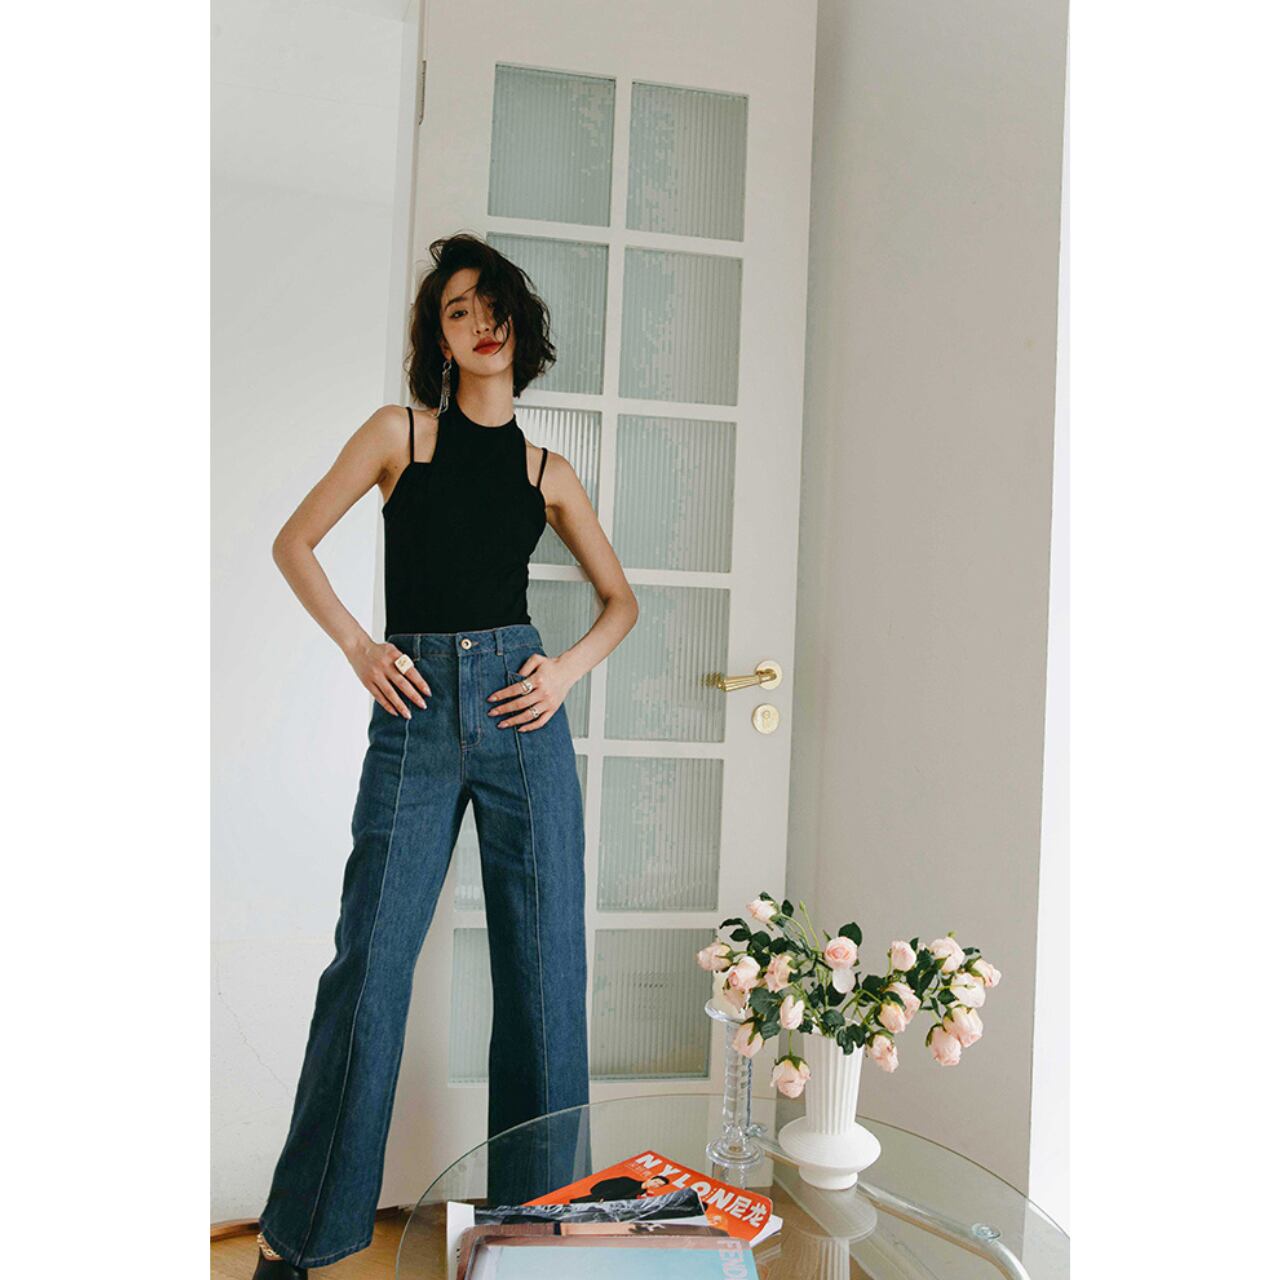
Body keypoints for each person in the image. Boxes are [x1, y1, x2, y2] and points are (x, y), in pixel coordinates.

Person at [251, 232, 639, 1277]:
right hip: (415, 708)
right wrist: (359, 647)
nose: (479, 322)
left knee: (545, 979)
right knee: (369, 966)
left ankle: (540, 1242)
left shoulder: (547, 471)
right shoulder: (401, 435)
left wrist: (562, 672)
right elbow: (294, 541)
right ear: (438, 336)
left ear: (518, 322)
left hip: (521, 714)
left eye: (491, 304)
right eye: (456, 310)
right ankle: (299, 1242)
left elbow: (620, 601)